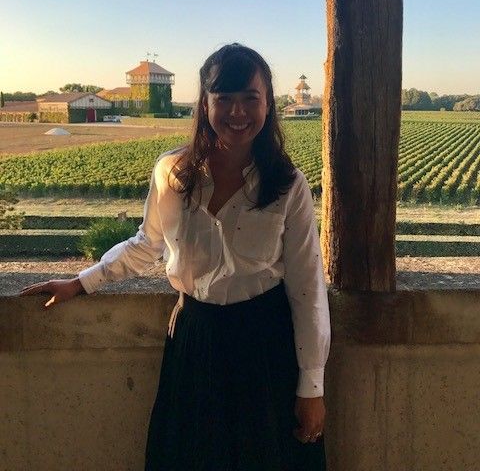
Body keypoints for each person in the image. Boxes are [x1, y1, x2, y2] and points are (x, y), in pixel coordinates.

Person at [21, 43, 331, 471]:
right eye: (224, 98)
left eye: (249, 98)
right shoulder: (172, 173)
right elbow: (146, 245)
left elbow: (307, 288)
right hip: (195, 337)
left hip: (265, 342)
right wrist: (81, 282)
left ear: (268, 104)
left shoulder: (287, 185)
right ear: (204, 104)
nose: (237, 112)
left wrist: (311, 386)